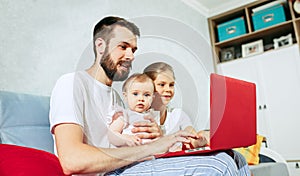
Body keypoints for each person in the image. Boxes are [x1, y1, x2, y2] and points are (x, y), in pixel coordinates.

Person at [49, 16, 251, 176]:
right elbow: (71, 160)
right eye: (123, 47)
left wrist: (162, 139)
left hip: (125, 166)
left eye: (133, 50)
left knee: (235, 158)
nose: (130, 56)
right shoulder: (72, 83)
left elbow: (128, 143)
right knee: (219, 166)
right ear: (100, 46)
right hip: (106, 173)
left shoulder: (118, 98)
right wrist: (151, 148)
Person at [143, 62, 208, 150]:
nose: (168, 89)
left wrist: (199, 139)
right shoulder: (140, 118)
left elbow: (190, 134)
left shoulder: (178, 115)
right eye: (162, 84)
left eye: (171, 85)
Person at [108, 73, 159, 147]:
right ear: (126, 96)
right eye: (135, 94)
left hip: (149, 153)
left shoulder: (152, 116)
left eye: (146, 95)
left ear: (153, 98)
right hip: (130, 153)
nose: (141, 99)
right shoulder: (124, 115)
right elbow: (112, 135)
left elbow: (156, 135)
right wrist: (125, 139)